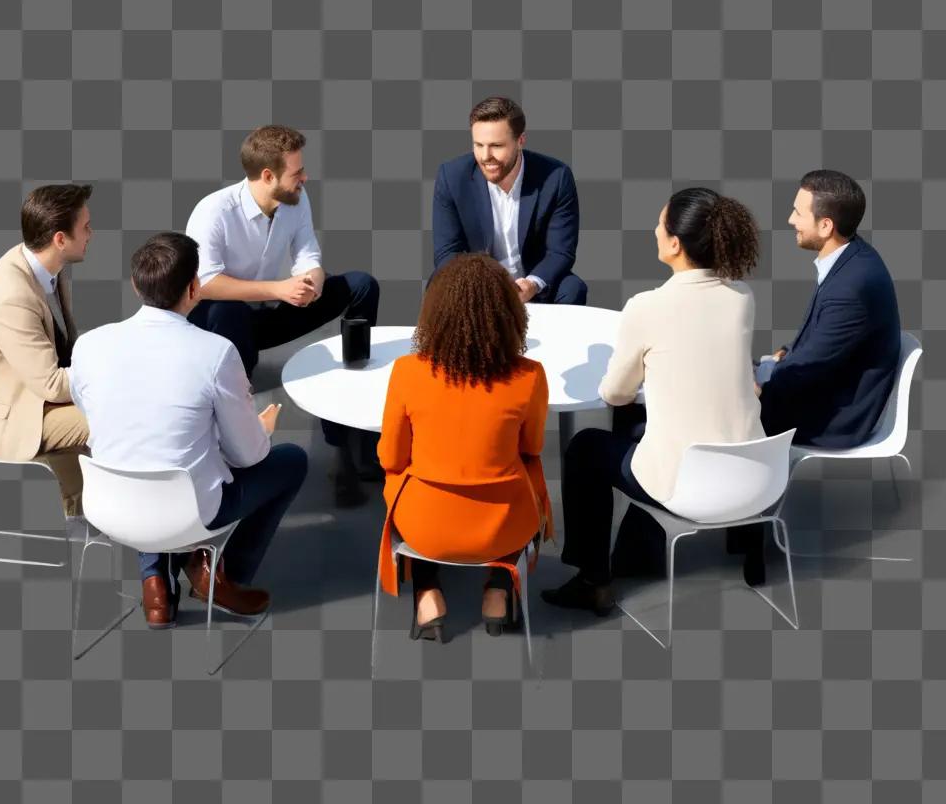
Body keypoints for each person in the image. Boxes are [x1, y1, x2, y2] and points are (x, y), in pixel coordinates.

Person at [542, 189, 766, 615]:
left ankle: (593, 581)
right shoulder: (742, 298)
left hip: (688, 484)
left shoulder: (646, 306)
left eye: (660, 224)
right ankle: (638, 548)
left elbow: (614, 392)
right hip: (750, 471)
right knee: (638, 426)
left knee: (587, 448)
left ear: (675, 243)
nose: (655, 230)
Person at [69, 233, 307, 629]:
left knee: (144, 452)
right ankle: (219, 575)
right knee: (290, 461)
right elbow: (248, 455)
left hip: (108, 507)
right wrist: (261, 428)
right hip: (185, 514)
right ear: (194, 288)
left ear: (136, 284)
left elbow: (95, 413)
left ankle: (155, 585)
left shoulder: (89, 345)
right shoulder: (215, 352)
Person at [184, 125, 380, 507]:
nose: (304, 178)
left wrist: (313, 280)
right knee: (227, 308)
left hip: (271, 314)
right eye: (297, 172)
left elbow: (308, 254)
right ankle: (237, 442)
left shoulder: (295, 200)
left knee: (361, 285)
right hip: (219, 325)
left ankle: (351, 417)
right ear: (268, 176)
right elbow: (203, 283)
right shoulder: (214, 211)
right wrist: (279, 289)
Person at [377, 253, 553, 641]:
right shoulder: (530, 376)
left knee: (397, 474)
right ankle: (498, 590)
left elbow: (390, 457)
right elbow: (533, 446)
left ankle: (427, 594)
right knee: (525, 469)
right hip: (504, 529)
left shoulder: (407, 372)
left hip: (424, 529)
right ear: (509, 314)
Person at [0, 184, 93, 518]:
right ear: (60, 239)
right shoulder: (13, 295)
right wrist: (106, 376)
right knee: (112, 415)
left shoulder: (43, 267)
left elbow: (65, 347)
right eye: (85, 227)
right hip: (13, 415)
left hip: (32, 395)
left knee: (120, 406)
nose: (92, 233)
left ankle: (92, 509)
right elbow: (50, 384)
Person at [758, 170, 901, 447]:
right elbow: (822, 346)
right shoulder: (852, 258)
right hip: (818, 393)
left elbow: (807, 371)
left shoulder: (851, 288)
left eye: (798, 213)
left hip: (829, 421)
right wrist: (777, 361)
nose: (790, 220)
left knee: (711, 411)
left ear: (825, 226)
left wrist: (757, 383)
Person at [432, 96, 587, 305]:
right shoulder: (452, 176)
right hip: (476, 287)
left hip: (534, 287)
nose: (486, 156)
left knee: (572, 288)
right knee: (437, 284)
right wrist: (482, 285)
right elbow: (447, 253)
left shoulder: (556, 177)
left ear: (520, 141)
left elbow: (560, 251)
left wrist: (532, 284)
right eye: (478, 145)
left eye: (496, 146)